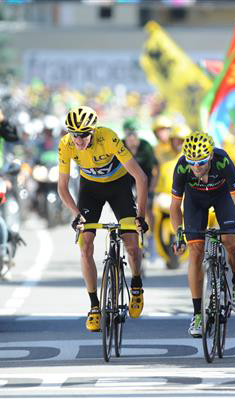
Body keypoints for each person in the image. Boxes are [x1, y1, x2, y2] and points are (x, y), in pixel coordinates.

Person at [57, 106, 149, 332]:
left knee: (131, 242)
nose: (78, 140)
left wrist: (141, 216)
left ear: (93, 131)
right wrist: (76, 214)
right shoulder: (66, 144)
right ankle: (94, 306)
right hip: (90, 190)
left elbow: (141, 177)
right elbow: (62, 186)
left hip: (118, 187)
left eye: (83, 134)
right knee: (85, 243)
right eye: (74, 134)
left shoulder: (108, 137)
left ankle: (136, 284)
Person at [169, 131, 235, 337]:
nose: (196, 167)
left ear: (211, 156)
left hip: (222, 197)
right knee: (195, 250)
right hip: (195, 201)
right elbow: (175, 205)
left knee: (229, 240)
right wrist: (178, 234)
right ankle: (197, 314)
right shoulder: (181, 167)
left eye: (202, 162)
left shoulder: (223, 161)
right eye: (192, 162)